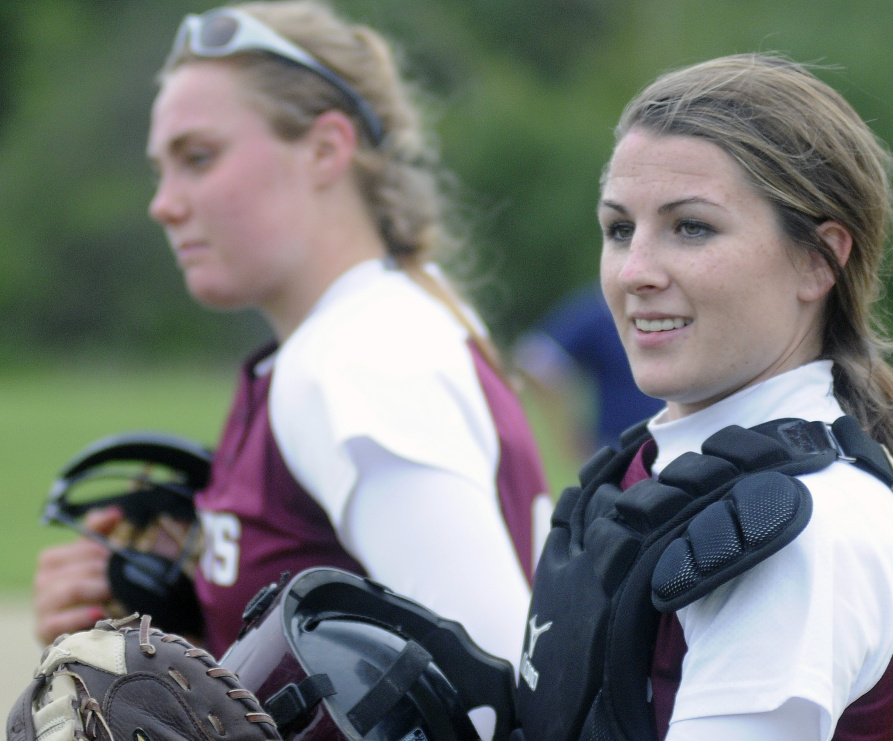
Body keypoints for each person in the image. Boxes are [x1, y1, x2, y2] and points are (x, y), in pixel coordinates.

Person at [233, 54, 893, 741]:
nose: (636, 271)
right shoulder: (646, 469)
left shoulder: (806, 530)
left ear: (817, 261)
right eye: (619, 228)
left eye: (691, 229)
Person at [31, 1, 551, 671]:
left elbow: (495, 682)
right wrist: (178, 636)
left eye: (199, 156)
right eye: (163, 168)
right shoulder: (358, 333)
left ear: (326, 148)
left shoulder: (360, 358)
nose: (164, 202)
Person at [512, 282, 660, 459]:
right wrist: (569, 431)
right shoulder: (602, 310)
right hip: (620, 452)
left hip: (682, 444)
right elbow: (534, 358)